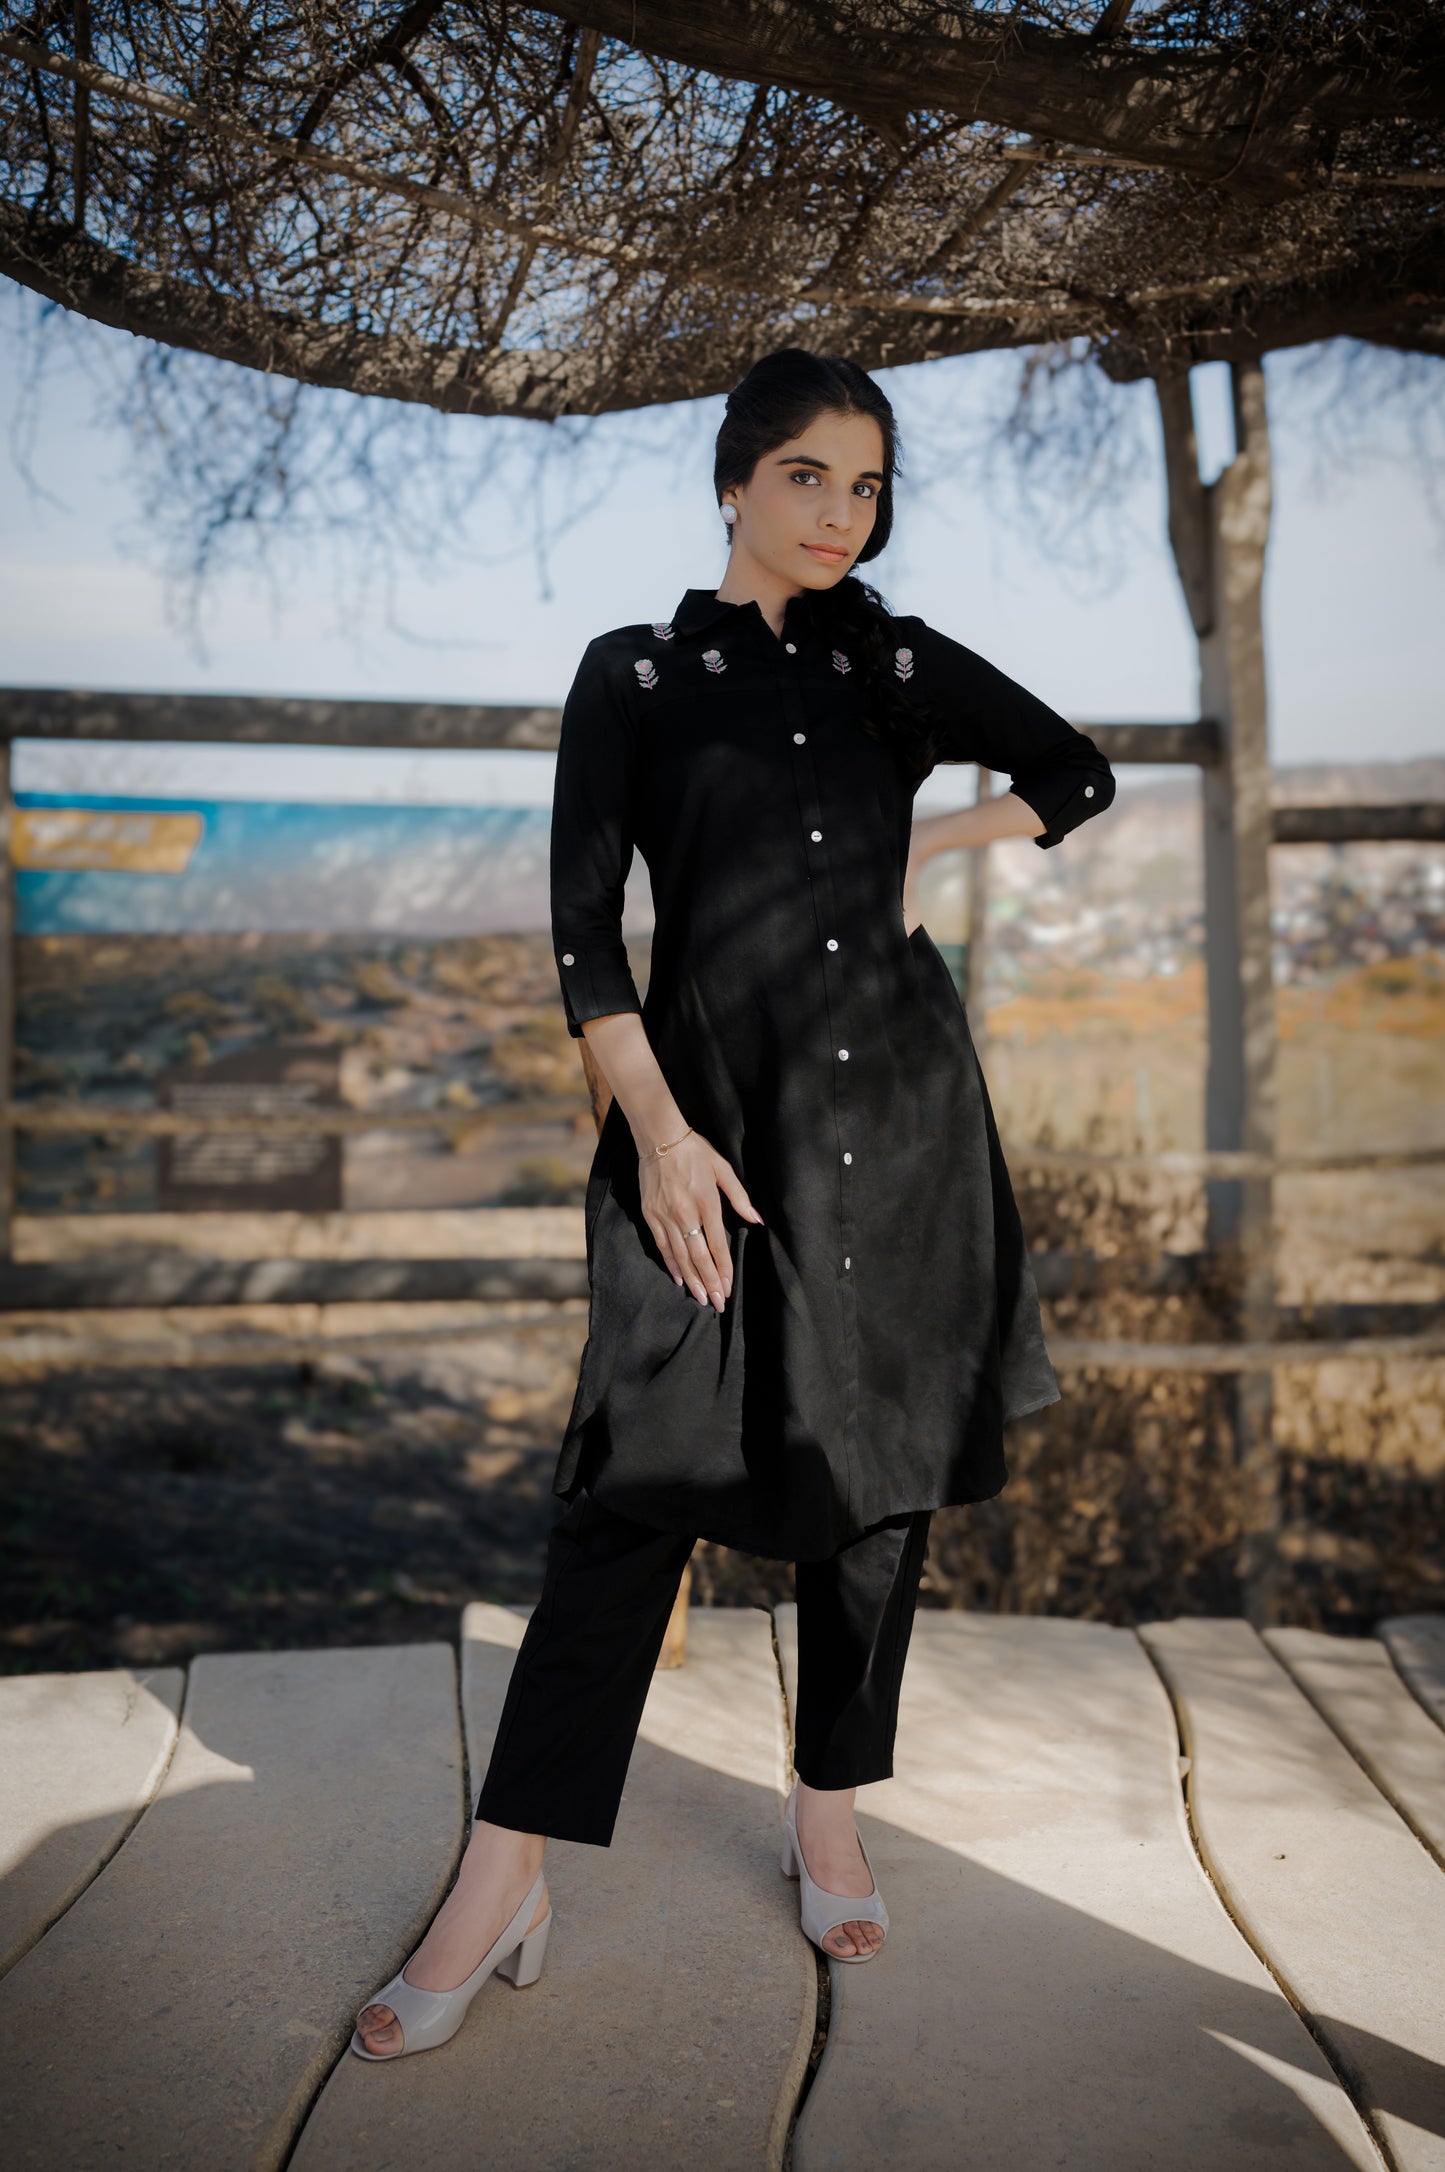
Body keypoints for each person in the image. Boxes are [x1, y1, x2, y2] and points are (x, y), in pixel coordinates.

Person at [352, 347, 1115, 2059]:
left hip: (900, 1128)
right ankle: (502, 1878)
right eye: (806, 476)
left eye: (866, 485)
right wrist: (659, 1135)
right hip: (700, 1134)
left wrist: (934, 848)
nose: (841, 513)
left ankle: (825, 1812)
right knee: (630, 1490)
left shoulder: (891, 663)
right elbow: (582, 933)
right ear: (732, 483)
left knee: (874, 1486)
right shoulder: (632, 674)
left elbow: (1074, 771)